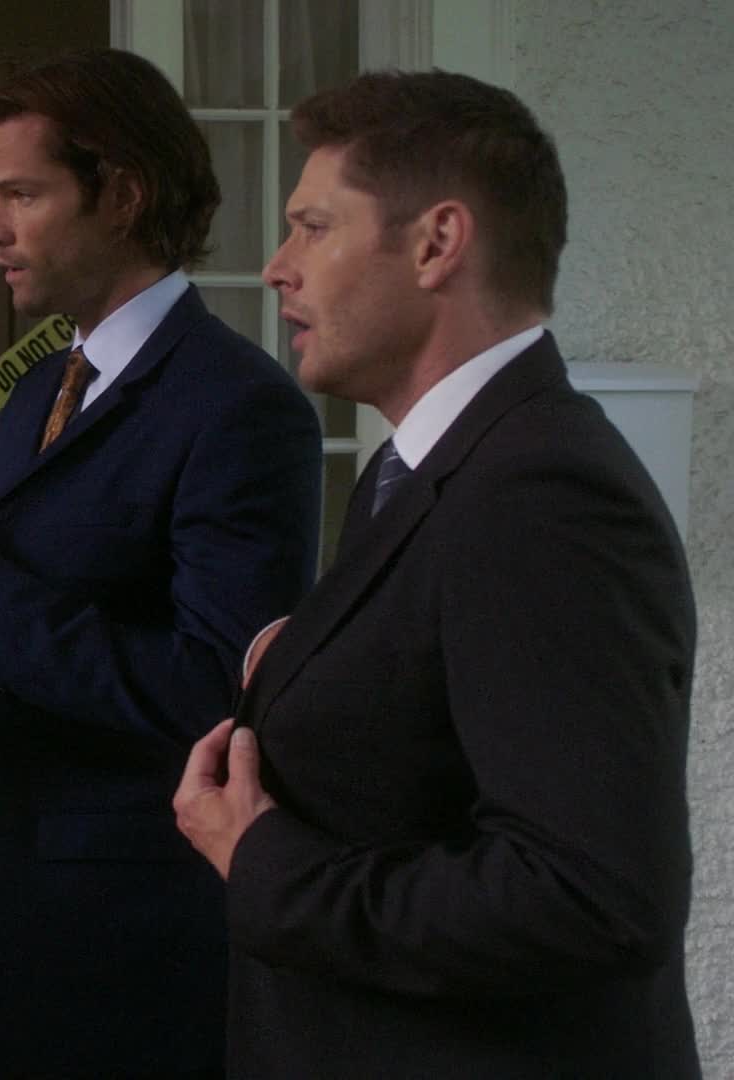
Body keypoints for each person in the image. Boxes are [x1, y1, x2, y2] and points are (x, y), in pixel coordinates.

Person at [172, 71, 700, 1078]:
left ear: (437, 243)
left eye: (313, 228)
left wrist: (265, 866)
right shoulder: (424, 468)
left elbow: (589, 898)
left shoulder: (539, 492)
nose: (277, 268)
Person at [0, 50, 323, 1077]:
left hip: (126, 946)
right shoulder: (40, 385)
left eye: (21, 194)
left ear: (122, 196)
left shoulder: (239, 408)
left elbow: (215, 689)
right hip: (3, 908)